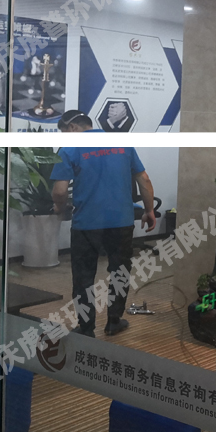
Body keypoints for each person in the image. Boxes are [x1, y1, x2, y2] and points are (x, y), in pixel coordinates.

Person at [50, 110, 156, 337]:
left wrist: (59, 207)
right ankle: (114, 321)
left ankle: (86, 328)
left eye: (63, 132)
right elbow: (144, 179)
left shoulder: (69, 148)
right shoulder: (122, 144)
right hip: (121, 221)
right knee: (119, 271)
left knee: (84, 277)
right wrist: (149, 210)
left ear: (72, 128)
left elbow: (59, 191)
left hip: (86, 224)